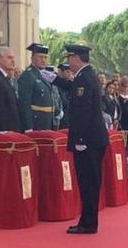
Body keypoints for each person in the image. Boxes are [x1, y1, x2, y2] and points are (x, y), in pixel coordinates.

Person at [45, 44, 108, 234]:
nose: (68, 62)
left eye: (69, 58)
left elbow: (82, 112)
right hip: (93, 138)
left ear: (76, 58)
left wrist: (80, 139)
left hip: (87, 139)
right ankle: (88, 221)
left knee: (88, 181)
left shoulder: (84, 78)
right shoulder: (86, 75)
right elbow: (73, 88)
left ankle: (88, 223)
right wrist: (56, 80)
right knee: (90, 181)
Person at [16, 43, 56, 131]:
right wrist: (28, 127)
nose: (43, 60)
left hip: (46, 122)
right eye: (40, 57)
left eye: (45, 57)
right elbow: (25, 103)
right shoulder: (28, 75)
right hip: (36, 123)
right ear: (32, 58)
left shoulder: (44, 74)